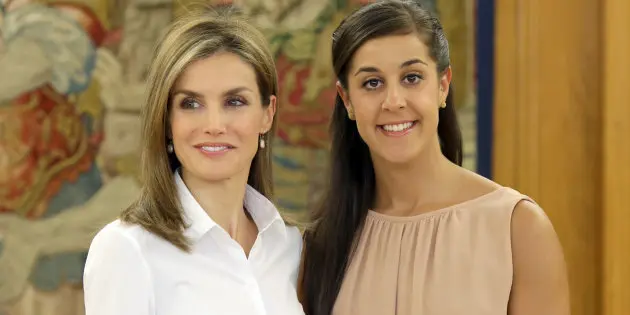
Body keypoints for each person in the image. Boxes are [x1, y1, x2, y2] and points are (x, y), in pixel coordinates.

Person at [299, 1, 570, 315]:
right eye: (372, 83)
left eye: (412, 78)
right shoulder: (320, 245)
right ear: (347, 100)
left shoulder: (517, 228)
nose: (393, 101)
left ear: (443, 86)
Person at [83, 8, 305, 315]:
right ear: (167, 119)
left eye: (235, 101)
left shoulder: (289, 246)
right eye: (191, 103)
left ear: (267, 114)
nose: (214, 124)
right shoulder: (126, 250)